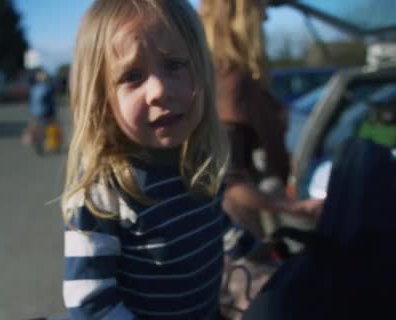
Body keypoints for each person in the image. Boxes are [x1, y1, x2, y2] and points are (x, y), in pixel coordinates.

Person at [61, 0, 231, 318]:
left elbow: (219, 226)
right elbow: (91, 303)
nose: (159, 90)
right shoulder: (103, 192)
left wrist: (256, 251)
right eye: (132, 76)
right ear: (100, 98)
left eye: (174, 64)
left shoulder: (199, 161)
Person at [199, 0, 323, 242]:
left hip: (252, 223)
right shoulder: (231, 83)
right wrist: (294, 208)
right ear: (240, 19)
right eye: (260, 12)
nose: (266, 20)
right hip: (246, 231)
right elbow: (229, 181)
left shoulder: (227, 77)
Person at [24, 69, 57, 153]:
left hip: (35, 112)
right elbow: (51, 102)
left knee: (37, 127)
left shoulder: (34, 89)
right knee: (49, 128)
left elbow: (31, 101)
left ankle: (38, 142)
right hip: (46, 112)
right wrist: (54, 113)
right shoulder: (48, 88)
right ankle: (50, 143)